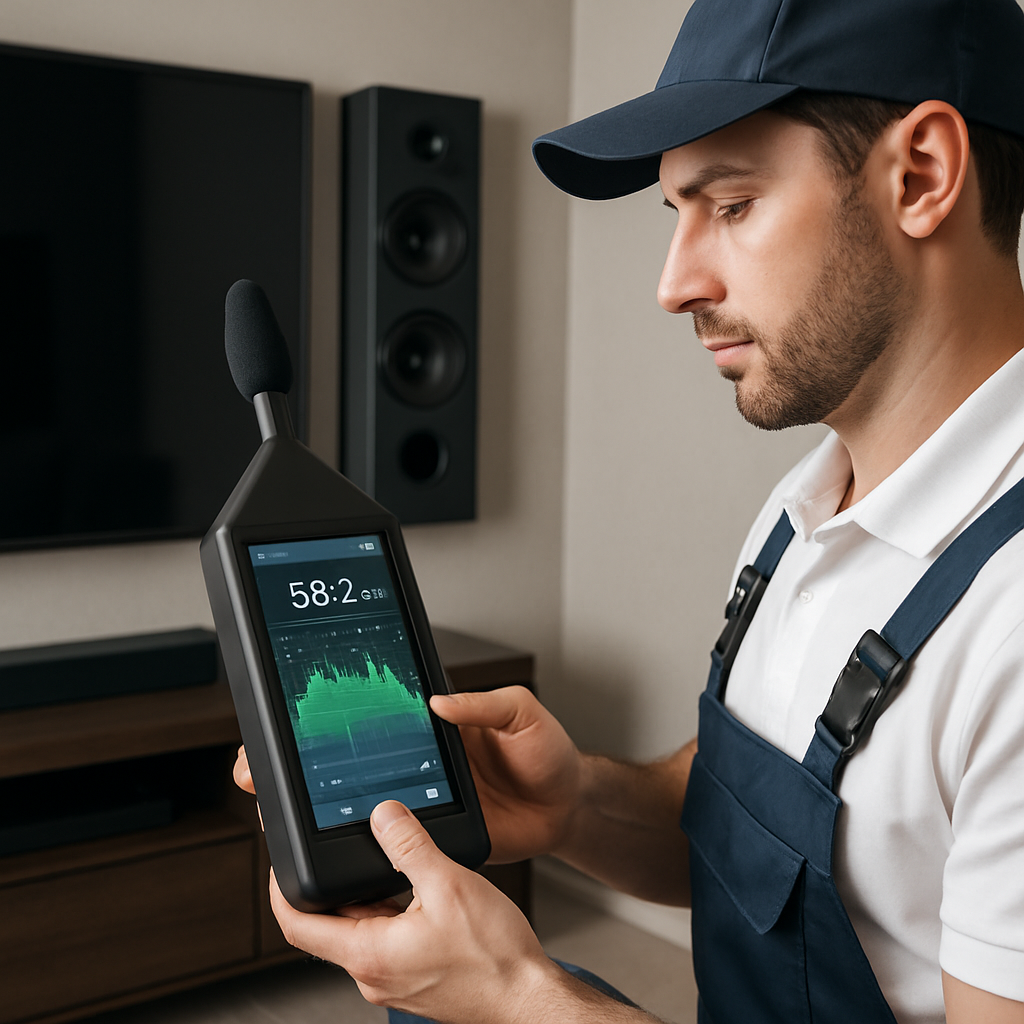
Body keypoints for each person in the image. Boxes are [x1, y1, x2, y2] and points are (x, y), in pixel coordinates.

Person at [233, 0, 1024, 1020]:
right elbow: (759, 849)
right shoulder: (806, 511)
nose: (672, 283)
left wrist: (525, 996)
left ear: (919, 173)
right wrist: (572, 804)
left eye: (730, 206)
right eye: (675, 216)